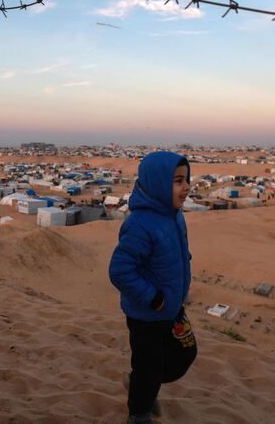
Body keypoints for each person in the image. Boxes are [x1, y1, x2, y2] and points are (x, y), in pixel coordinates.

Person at [109, 151, 197, 424]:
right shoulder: (139, 224)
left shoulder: (175, 216)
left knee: (185, 353)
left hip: (172, 306)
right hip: (146, 314)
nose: (185, 187)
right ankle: (139, 412)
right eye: (177, 181)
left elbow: (176, 253)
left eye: (186, 180)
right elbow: (120, 270)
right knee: (149, 367)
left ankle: (141, 385)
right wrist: (153, 297)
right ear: (158, 183)